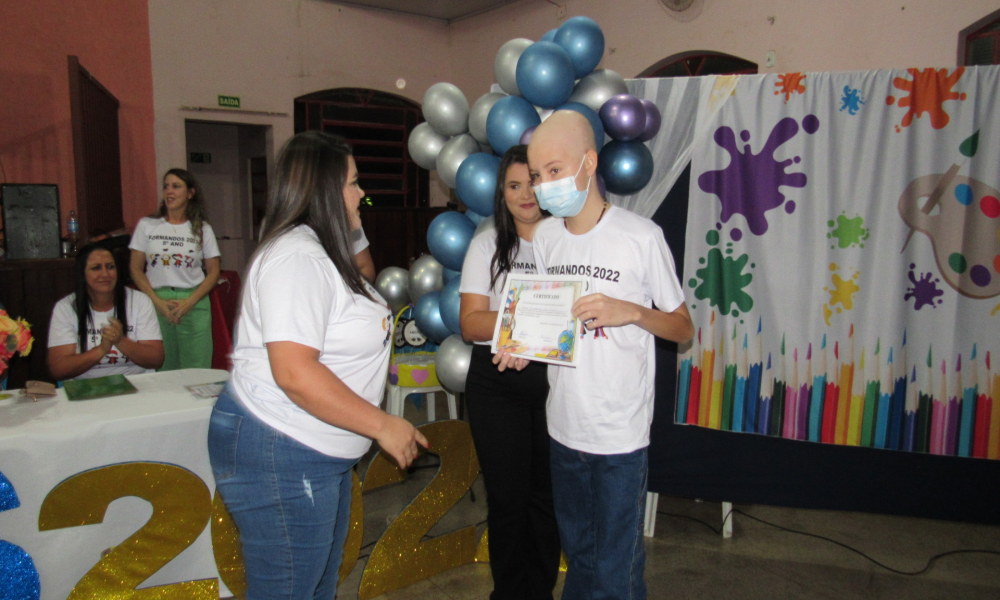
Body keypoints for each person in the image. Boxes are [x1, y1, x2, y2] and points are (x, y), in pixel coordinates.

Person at [207, 130, 428, 599]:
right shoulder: (297, 256)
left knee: (314, 586)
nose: (361, 193)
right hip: (281, 447)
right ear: (324, 190)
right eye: (352, 182)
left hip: (312, 449)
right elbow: (294, 372)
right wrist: (382, 425)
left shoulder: (326, 250)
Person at [520, 110, 695, 599]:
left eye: (555, 171)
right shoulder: (546, 238)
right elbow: (547, 321)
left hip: (618, 434)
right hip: (564, 426)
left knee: (616, 569)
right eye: (537, 175)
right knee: (578, 559)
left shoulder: (641, 237)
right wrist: (523, 348)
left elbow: (683, 328)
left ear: (589, 163)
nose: (544, 185)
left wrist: (633, 312)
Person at [458, 145, 561, 600]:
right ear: (501, 192)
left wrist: (526, 328)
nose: (525, 195)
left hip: (556, 382)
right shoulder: (486, 245)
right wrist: (524, 326)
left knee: (547, 500)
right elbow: (469, 322)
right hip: (495, 384)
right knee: (507, 501)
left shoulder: (568, 243)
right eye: (514, 185)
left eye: (533, 182)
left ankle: (539, 592)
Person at [129, 168, 221, 370]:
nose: (169, 191)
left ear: (190, 193)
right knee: (163, 367)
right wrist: (156, 301)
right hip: (157, 300)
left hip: (193, 301)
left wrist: (190, 301)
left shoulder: (203, 229)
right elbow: (135, 269)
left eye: (176, 186)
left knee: (196, 369)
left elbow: (214, 271)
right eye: (166, 186)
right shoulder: (147, 225)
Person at [48, 242, 164, 380]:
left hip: (137, 383)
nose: (105, 274)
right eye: (96, 268)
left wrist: (121, 340)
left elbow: (156, 359)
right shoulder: (66, 307)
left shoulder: (140, 301)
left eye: (110, 267)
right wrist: (102, 349)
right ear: (82, 273)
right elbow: (59, 369)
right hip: (86, 386)